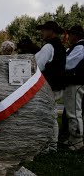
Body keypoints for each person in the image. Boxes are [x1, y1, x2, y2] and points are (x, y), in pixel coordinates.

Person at [35, 21, 66, 152]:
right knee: (51, 115)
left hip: (49, 86)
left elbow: (37, 65)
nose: (42, 32)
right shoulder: (60, 46)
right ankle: (52, 145)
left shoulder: (49, 46)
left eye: (44, 30)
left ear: (51, 31)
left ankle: (48, 146)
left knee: (46, 116)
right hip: (57, 85)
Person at [63, 25, 84, 150]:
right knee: (75, 110)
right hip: (77, 81)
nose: (69, 36)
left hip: (76, 82)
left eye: (70, 34)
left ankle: (77, 140)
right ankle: (73, 138)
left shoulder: (80, 47)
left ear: (76, 35)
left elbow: (68, 64)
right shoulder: (78, 47)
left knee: (74, 111)